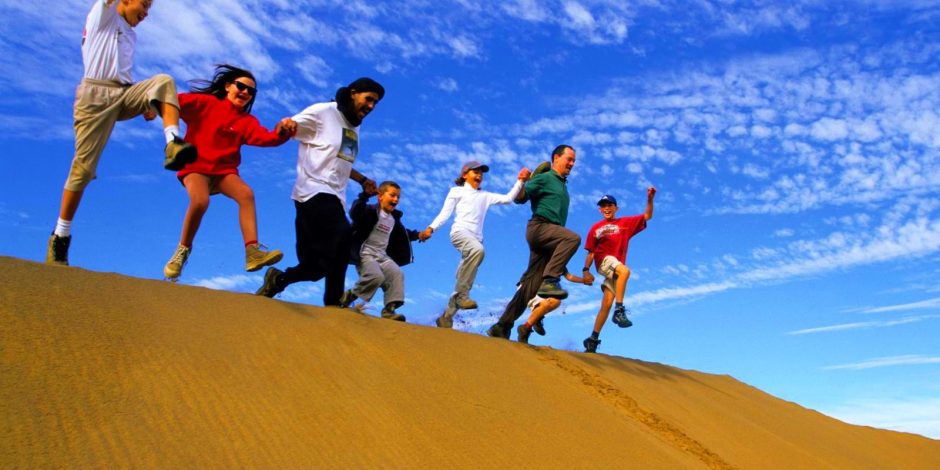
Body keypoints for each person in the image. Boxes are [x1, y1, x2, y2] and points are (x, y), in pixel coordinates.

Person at [47, 0, 196, 266]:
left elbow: (123, 74)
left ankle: (173, 142)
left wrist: (146, 103)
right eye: (144, 5)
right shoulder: (102, 16)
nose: (146, 13)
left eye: (150, 9)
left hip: (123, 92)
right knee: (83, 169)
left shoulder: (131, 34)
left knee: (163, 83)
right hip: (94, 96)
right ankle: (60, 235)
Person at [254, 78, 384, 305]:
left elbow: (341, 158)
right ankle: (334, 304)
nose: (371, 106)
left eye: (375, 103)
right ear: (353, 93)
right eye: (368, 99)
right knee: (343, 234)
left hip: (334, 197)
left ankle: (278, 280)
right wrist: (284, 127)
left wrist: (362, 179)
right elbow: (287, 128)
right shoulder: (323, 112)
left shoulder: (354, 126)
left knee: (316, 268)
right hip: (312, 191)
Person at [162, 65, 296, 281]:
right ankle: (182, 251)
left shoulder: (246, 122)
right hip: (195, 166)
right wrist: (152, 106)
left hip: (224, 172)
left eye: (250, 91)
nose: (245, 92)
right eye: (241, 86)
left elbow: (267, 138)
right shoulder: (205, 104)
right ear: (227, 86)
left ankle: (252, 252)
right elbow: (171, 102)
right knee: (200, 201)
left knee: (246, 194)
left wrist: (281, 131)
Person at [419, 161, 531, 328]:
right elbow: (445, 213)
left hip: (476, 240)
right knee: (478, 252)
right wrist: (431, 228)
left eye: (481, 174)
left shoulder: (484, 195)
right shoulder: (456, 191)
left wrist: (521, 181)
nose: (479, 176)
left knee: (466, 275)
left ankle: (446, 317)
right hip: (460, 233)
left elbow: (508, 199)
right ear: (464, 175)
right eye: (475, 172)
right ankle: (462, 296)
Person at [487, 145, 582, 339]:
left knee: (529, 286)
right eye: (569, 159)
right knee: (573, 238)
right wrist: (521, 181)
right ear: (556, 158)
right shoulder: (546, 177)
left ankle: (501, 325)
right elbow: (521, 198)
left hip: (550, 238)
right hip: (540, 228)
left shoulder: (561, 184)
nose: (572, 163)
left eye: (574, 160)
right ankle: (550, 281)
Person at [580, 188, 656, 353]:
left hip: (614, 269)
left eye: (610, 205)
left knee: (606, 303)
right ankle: (620, 310)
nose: (606, 208)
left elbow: (647, 216)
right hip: (605, 262)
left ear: (616, 208)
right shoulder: (596, 228)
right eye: (603, 206)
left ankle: (592, 339)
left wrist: (650, 198)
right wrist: (586, 270)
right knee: (625, 271)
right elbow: (591, 252)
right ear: (600, 209)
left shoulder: (625, 224)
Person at [338, 181, 420, 321]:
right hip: (365, 254)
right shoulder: (369, 211)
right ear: (380, 196)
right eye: (392, 195)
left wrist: (418, 235)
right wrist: (364, 196)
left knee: (397, 274)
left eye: (398, 197)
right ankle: (350, 295)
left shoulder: (393, 219)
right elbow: (355, 213)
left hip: (382, 256)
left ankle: (389, 310)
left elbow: (402, 234)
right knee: (376, 276)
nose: (396, 200)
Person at [516, 270, 590, 344]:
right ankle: (526, 327)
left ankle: (535, 319)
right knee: (554, 301)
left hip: (535, 288)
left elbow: (569, 276)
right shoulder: (549, 260)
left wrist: (583, 280)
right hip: (529, 286)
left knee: (553, 300)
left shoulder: (559, 263)